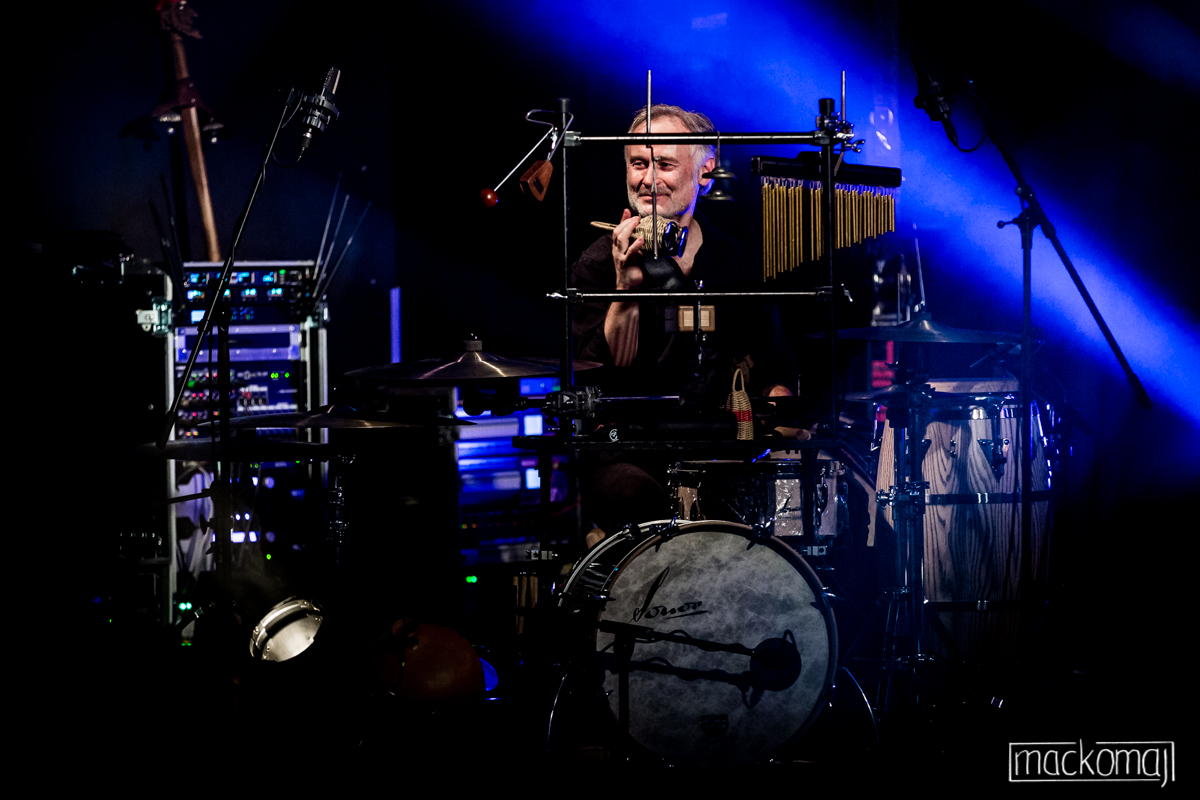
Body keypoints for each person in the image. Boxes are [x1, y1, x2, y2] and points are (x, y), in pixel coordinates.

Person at [572, 104, 794, 544]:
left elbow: (775, 365)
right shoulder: (597, 263)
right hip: (629, 454)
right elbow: (600, 372)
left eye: (665, 164)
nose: (647, 178)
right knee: (640, 504)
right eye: (638, 163)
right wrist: (626, 287)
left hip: (722, 450)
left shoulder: (735, 260)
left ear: (704, 173)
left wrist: (788, 428)